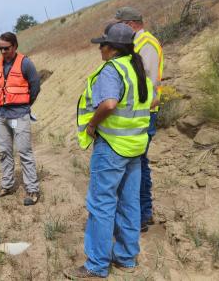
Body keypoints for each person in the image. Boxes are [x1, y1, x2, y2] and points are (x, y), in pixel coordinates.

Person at [64, 23, 153, 279]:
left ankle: (96, 265)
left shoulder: (112, 70)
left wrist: (92, 124)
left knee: (101, 205)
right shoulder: (136, 69)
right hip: (135, 146)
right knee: (129, 203)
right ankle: (126, 258)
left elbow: (110, 103)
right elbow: (153, 99)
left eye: (102, 44)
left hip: (112, 147)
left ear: (112, 48)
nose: (99, 49)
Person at [116, 7, 164, 232]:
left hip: (145, 114)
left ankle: (143, 214)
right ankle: (140, 212)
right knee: (136, 164)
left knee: (139, 165)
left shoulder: (147, 43)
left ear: (131, 24)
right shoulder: (137, 42)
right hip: (136, 114)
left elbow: (147, 83)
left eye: (120, 24)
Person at [0, 32, 41, 206]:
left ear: (15, 46)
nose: (3, 51)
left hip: (19, 115)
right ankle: (7, 186)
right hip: (2, 116)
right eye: (0, 48)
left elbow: (35, 86)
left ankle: (32, 190)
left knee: (24, 153)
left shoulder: (25, 63)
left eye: (6, 48)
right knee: (4, 152)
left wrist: (25, 105)